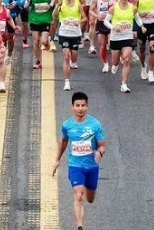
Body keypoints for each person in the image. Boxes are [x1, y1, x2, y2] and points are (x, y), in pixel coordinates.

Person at [52, 91, 107, 230]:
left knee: (90, 199)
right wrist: (57, 159)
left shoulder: (95, 125)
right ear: (72, 107)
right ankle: (80, 226)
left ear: (87, 106)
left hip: (92, 167)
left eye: (83, 105)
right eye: (77, 105)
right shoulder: (67, 125)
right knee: (78, 195)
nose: (80, 108)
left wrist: (100, 152)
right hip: (75, 166)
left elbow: (102, 145)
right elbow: (64, 141)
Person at [104, 0, 137, 93]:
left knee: (127, 59)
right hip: (115, 38)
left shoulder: (133, 8)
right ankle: (115, 64)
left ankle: (124, 84)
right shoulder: (113, 8)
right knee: (115, 60)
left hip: (127, 37)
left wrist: (142, 26)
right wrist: (113, 27)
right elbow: (105, 21)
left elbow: (137, 19)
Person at [55, 0, 85, 91]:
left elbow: (85, 18)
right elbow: (54, 16)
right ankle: (67, 82)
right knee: (66, 56)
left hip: (75, 34)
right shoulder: (61, 3)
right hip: (64, 33)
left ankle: (74, 61)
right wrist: (57, 6)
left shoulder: (78, 5)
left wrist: (79, 22)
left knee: (74, 55)